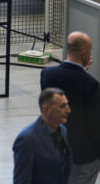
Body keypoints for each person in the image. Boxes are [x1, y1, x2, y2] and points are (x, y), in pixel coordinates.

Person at [40, 32, 100, 183]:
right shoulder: (90, 85)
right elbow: (95, 125)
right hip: (82, 157)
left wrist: (82, 72)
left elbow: (68, 86)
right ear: (84, 53)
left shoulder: (47, 74)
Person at [13, 88, 73, 184]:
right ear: (46, 110)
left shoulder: (63, 130)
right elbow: (22, 180)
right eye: (62, 106)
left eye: (67, 104)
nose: (68, 110)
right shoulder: (27, 139)